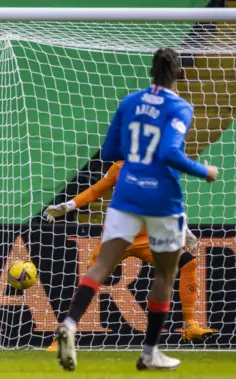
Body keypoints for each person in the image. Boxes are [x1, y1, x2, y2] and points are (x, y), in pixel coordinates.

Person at [54, 48, 219, 371]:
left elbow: (110, 150)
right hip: (161, 198)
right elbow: (171, 152)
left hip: (127, 192)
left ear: (150, 73)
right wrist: (204, 171)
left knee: (101, 266)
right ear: (178, 74)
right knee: (165, 272)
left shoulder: (129, 102)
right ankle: (150, 351)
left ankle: (70, 323)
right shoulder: (180, 107)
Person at [44, 160, 214, 353]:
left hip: (147, 238)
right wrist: (68, 206)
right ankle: (62, 337)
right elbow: (95, 191)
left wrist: (185, 231)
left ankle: (190, 325)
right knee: (89, 283)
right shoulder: (119, 167)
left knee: (188, 263)